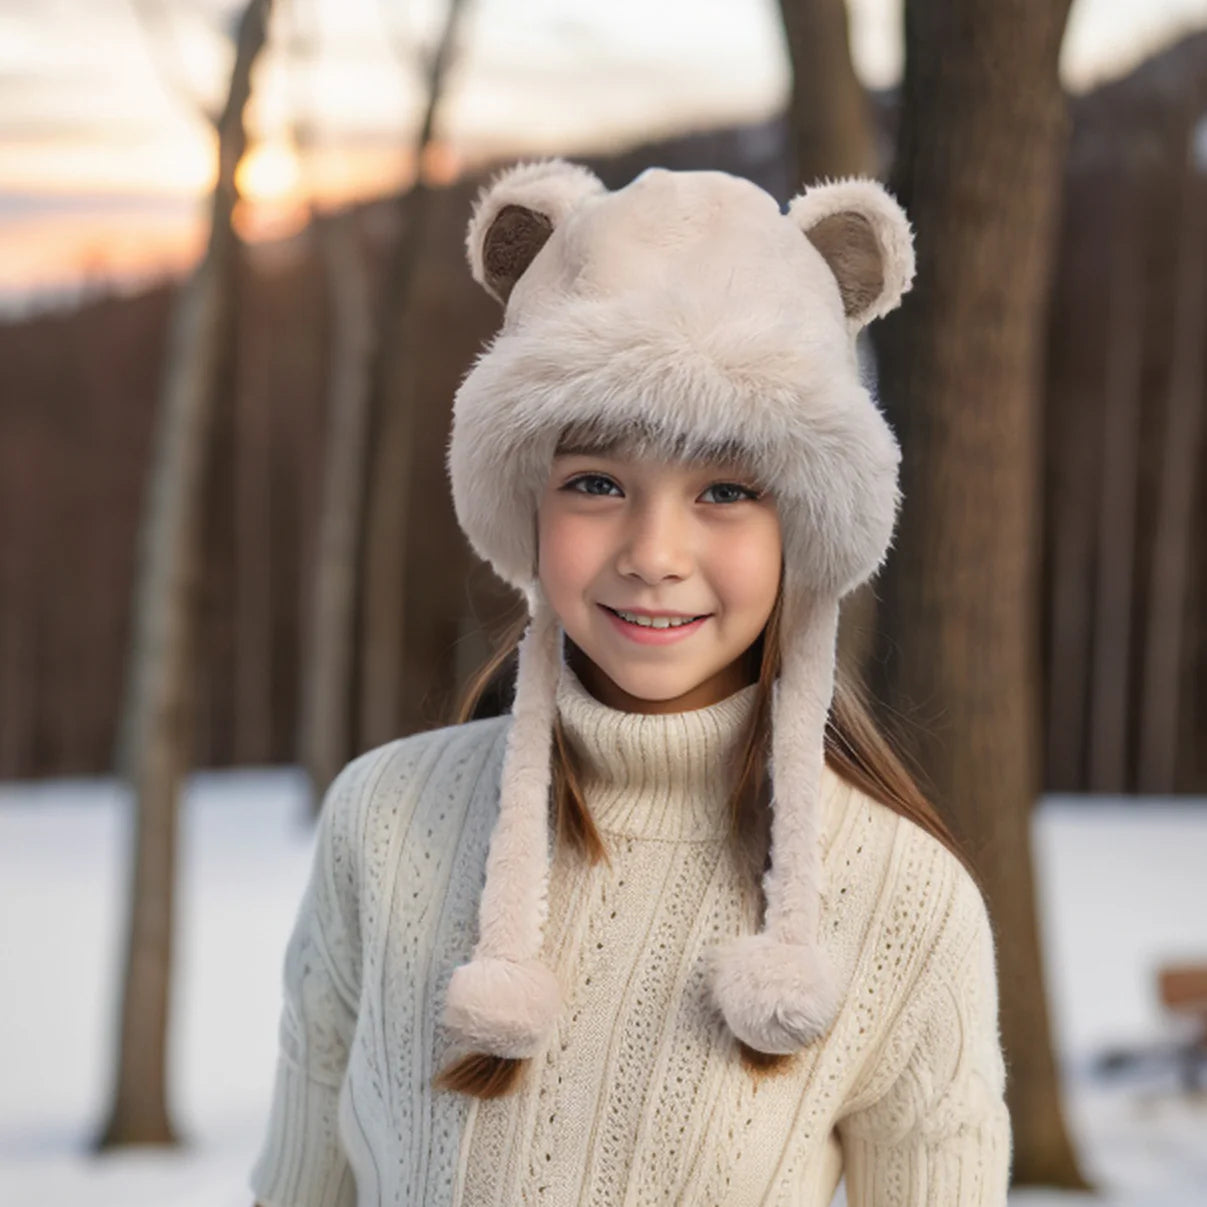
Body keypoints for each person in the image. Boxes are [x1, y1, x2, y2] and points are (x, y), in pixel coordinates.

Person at [250, 160, 1011, 1207]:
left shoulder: (905, 902)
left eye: (726, 490)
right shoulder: (382, 824)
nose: (654, 551)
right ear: (527, 501)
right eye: (597, 483)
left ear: (806, 522)